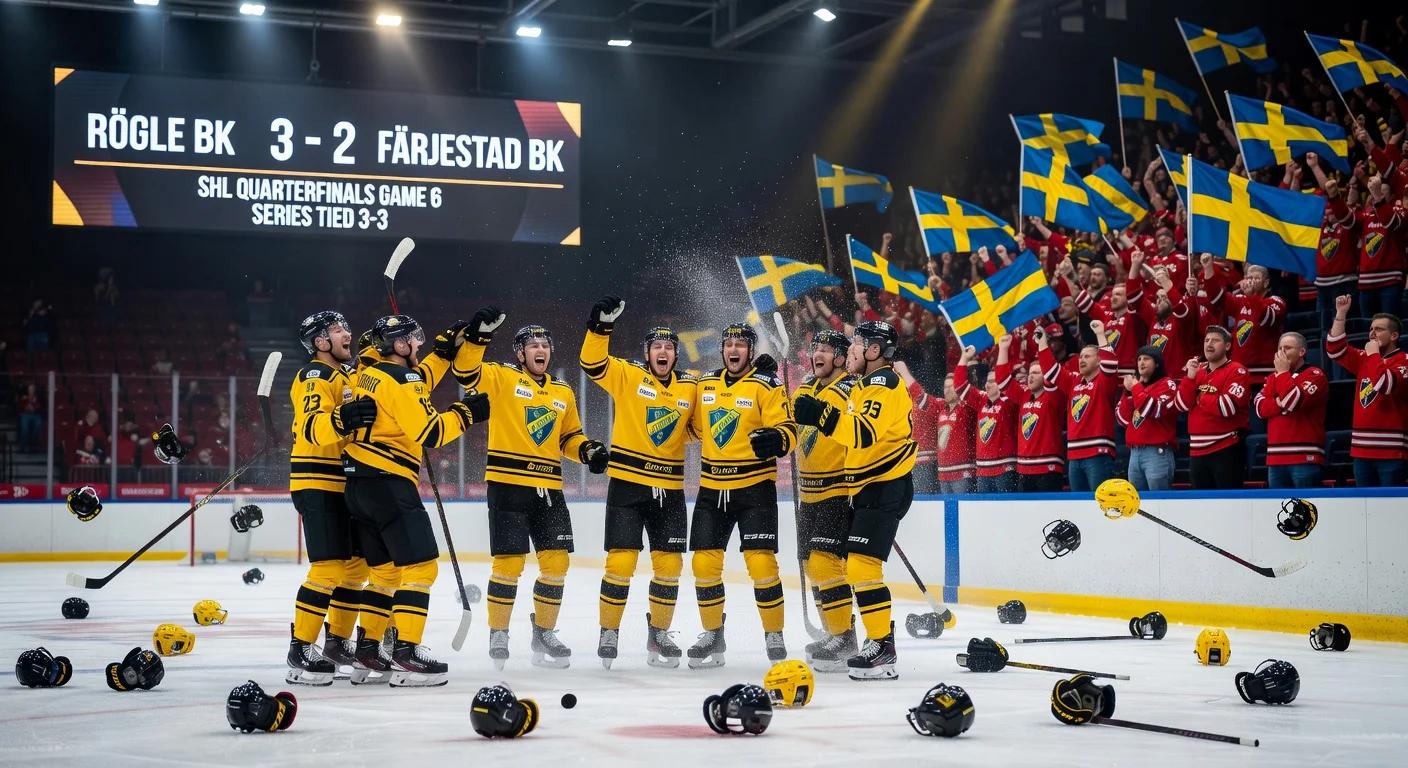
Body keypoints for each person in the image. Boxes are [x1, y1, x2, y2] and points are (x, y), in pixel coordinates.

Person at [453, 311, 607, 670]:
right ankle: (499, 633)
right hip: (509, 485)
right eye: (532, 345)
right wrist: (478, 337)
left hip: (550, 489)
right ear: (520, 354)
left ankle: (544, 631)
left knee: (557, 563)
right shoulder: (502, 376)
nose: (541, 350)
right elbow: (467, 372)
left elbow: (569, 437)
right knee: (508, 565)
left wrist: (587, 451)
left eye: (545, 345)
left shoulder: (563, 391)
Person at [343, 314, 489, 687]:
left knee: (386, 573)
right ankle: (407, 653)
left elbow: (413, 386)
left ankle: (368, 652)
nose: (420, 344)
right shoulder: (403, 378)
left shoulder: (369, 372)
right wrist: (466, 413)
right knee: (422, 569)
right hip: (390, 482)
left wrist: (441, 356)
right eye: (413, 340)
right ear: (399, 345)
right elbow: (430, 431)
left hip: (359, 484)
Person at [578, 296, 697, 669]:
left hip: (671, 492)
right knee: (621, 563)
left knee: (670, 567)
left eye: (669, 347)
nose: (663, 351)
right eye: (656, 346)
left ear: (676, 355)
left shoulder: (691, 388)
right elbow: (592, 363)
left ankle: (659, 634)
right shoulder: (629, 376)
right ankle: (608, 631)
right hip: (628, 487)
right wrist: (600, 327)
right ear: (647, 353)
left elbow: (698, 429)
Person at [794, 320, 917, 681]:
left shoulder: (883, 383)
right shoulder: (865, 384)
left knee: (862, 567)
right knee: (853, 566)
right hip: (867, 487)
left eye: (856, 346)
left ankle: (881, 646)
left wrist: (820, 414)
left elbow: (862, 433)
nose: (850, 353)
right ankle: (871, 641)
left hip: (885, 484)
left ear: (874, 351)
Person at [685, 323, 797, 668]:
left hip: (754, 489)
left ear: (751, 350)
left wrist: (778, 440)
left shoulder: (768, 384)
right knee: (703, 564)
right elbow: (688, 427)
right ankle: (712, 634)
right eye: (728, 343)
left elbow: (788, 429)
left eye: (741, 344)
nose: (734, 349)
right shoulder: (704, 383)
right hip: (711, 489)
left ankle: (773, 633)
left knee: (761, 563)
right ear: (722, 349)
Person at [284, 311, 377, 686]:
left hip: (343, 482)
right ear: (320, 343)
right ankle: (300, 646)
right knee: (328, 570)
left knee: (355, 568)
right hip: (316, 480)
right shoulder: (315, 375)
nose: (347, 334)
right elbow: (311, 428)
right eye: (338, 331)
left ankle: (337, 642)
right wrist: (343, 418)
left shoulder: (343, 376)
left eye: (346, 329)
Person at [789, 330, 858, 672]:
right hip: (808, 493)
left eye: (827, 349)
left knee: (824, 564)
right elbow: (788, 422)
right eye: (816, 348)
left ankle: (844, 635)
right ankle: (834, 630)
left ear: (842, 358)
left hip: (838, 490)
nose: (818, 354)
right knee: (810, 566)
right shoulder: (804, 384)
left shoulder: (851, 389)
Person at [1326, 297, 1408, 486]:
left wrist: (1373, 354)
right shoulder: (1366, 358)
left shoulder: (1403, 361)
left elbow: (1384, 384)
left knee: (1390, 509)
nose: (1372, 333)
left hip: (1391, 451)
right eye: (1371, 329)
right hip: (1361, 451)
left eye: (1378, 329)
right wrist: (1341, 314)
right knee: (1366, 509)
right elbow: (1335, 349)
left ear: (1394, 335)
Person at [1039, 321, 1121, 492]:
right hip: (1074, 456)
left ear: (1099, 361)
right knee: (1079, 507)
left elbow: (1111, 364)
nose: (1082, 360)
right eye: (1081, 357)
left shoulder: (1105, 382)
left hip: (1098, 454)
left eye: (1087, 356)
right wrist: (1042, 343)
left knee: (1100, 506)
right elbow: (1049, 370)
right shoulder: (1073, 381)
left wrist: (1100, 334)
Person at [1174, 326, 1252, 490]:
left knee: (1228, 505)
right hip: (1196, 451)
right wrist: (1189, 377)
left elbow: (1227, 407)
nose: (1209, 344)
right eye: (1207, 340)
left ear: (1227, 346)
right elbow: (1181, 404)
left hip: (1226, 447)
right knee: (1201, 505)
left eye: (1215, 340)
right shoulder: (1197, 371)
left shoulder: (1238, 371)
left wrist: (1198, 398)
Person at [1254, 332, 1329, 489]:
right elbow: (1260, 408)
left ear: (1302, 352)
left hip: (1304, 457)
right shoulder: (1273, 377)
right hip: (1275, 458)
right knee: (1280, 510)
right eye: (1280, 348)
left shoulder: (1315, 375)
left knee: (1306, 510)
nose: (1282, 352)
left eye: (1287, 348)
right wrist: (1279, 403)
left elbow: (1293, 402)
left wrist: (1282, 374)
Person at [955, 344, 1018, 493]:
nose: (987, 384)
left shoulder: (1010, 401)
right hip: (983, 469)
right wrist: (964, 358)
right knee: (984, 512)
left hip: (1004, 467)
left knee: (1005, 510)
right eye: (987, 381)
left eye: (992, 381)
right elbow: (959, 385)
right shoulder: (981, 399)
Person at [1117, 347, 1180, 491]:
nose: (1141, 362)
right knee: (1137, 505)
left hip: (1157, 453)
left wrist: (1136, 387)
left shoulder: (1167, 384)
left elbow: (1151, 410)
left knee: (1160, 505)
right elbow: (1123, 419)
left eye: (1146, 358)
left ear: (1157, 363)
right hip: (1134, 453)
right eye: (1139, 359)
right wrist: (1127, 393)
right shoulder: (1135, 388)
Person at [904, 371, 975, 494]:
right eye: (945, 387)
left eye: (951, 386)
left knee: (964, 509)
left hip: (963, 472)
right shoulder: (941, 408)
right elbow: (921, 397)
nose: (947, 390)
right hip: (943, 473)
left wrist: (903, 370)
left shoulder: (966, 408)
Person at [1011, 335, 1067, 493]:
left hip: (1047, 466)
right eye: (1030, 372)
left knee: (1050, 516)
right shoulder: (1023, 396)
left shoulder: (1055, 396)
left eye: (1036, 372)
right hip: (1024, 467)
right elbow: (1002, 379)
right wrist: (1003, 347)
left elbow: (1052, 373)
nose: (1031, 376)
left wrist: (1042, 345)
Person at [1216, 265, 1286, 386]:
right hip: (1239, 374)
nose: (1251, 282)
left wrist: (1251, 297)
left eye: (1256, 278)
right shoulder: (1240, 301)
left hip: (1265, 373)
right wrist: (1208, 271)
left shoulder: (1276, 301)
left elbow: (1266, 319)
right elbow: (1217, 298)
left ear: (1266, 282)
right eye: (1249, 278)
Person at [18, 382, 42, 451]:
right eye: (30, 389)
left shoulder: (38, 398)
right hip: (25, 414)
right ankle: (22, 446)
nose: (31, 390)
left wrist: (35, 404)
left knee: (37, 425)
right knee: (24, 427)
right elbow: (21, 408)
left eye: (32, 389)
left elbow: (41, 408)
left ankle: (33, 446)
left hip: (36, 415)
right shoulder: (24, 398)